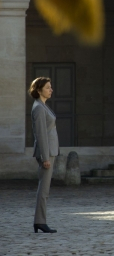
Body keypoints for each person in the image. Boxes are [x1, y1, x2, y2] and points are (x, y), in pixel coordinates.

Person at [30, 77, 59, 234]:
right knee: (44, 190)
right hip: (46, 153)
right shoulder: (39, 108)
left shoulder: (43, 106)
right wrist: (45, 157)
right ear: (39, 90)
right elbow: (41, 134)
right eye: (48, 87)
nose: (51, 89)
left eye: (51, 86)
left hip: (50, 151)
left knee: (45, 189)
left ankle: (40, 221)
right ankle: (40, 221)